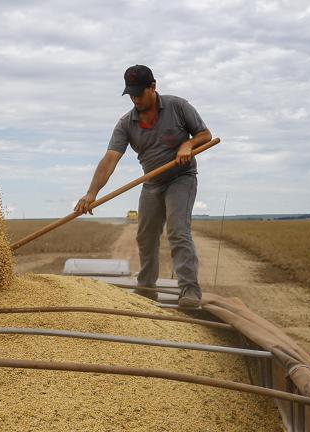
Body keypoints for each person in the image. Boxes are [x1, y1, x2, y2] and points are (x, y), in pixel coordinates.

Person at [75, 65, 212, 308]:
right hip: (152, 182)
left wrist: (188, 145)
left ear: (153, 86)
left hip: (181, 178)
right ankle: (147, 289)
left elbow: (205, 135)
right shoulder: (126, 123)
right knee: (145, 236)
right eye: (131, 94)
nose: (135, 99)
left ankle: (190, 291)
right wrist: (91, 193)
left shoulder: (178, 107)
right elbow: (110, 159)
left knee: (178, 231)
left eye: (139, 93)